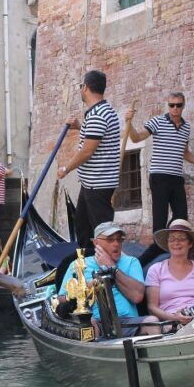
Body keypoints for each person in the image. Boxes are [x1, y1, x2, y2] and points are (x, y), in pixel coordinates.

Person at [124, 93, 194, 267]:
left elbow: (184, 152)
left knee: (182, 219)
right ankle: (147, 258)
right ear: (168, 106)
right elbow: (136, 138)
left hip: (176, 178)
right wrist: (129, 122)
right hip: (159, 177)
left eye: (178, 105)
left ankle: (184, 251)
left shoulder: (186, 127)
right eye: (172, 105)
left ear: (183, 106)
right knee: (160, 224)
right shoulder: (157, 122)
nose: (175, 108)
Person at [56, 222, 158, 337]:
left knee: (153, 322)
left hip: (127, 322)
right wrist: (85, 290)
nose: (116, 244)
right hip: (94, 322)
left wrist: (112, 268)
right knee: (88, 325)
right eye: (110, 240)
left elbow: (137, 296)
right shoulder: (78, 264)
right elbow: (61, 299)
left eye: (119, 239)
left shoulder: (131, 262)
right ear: (96, 242)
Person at [57, 70, 121, 251]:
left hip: (98, 184)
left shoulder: (97, 115)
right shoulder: (101, 111)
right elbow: (97, 136)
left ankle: (107, 264)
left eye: (81, 86)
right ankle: (86, 262)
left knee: (103, 233)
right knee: (83, 228)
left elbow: (87, 151)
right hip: (91, 183)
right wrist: (80, 126)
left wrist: (66, 169)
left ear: (85, 87)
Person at [146, 220, 194, 327]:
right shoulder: (156, 269)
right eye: (172, 239)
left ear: (190, 243)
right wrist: (174, 318)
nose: (176, 243)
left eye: (181, 239)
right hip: (171, 322)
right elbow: (152, 307)